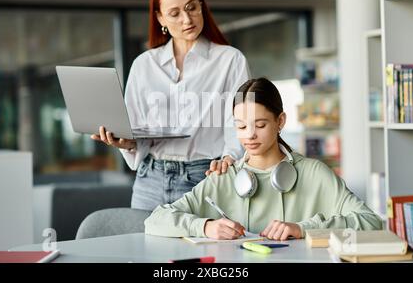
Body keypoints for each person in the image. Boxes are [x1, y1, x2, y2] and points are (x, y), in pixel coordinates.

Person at [144, 77, 383, 240]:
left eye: (260, 124)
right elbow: (155, 220)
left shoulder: (314, 173)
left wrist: (303, 229)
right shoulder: (224, 175)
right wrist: (205, 227)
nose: (249, 135)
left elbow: (371, 222)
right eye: (240, 126)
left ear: (280, 122)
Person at [91, 0, 250, 211]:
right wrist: (124, 142)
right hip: (150, 180)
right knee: (143, 247)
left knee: (202, 249)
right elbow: (135, 128)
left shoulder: (230, 60)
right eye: (175, 13)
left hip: (204, 177)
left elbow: (240, 122)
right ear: (160, 18)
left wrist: (230, 158)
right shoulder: (144, 65)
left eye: (192, 7)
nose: (187, 19)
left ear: (201, 6)